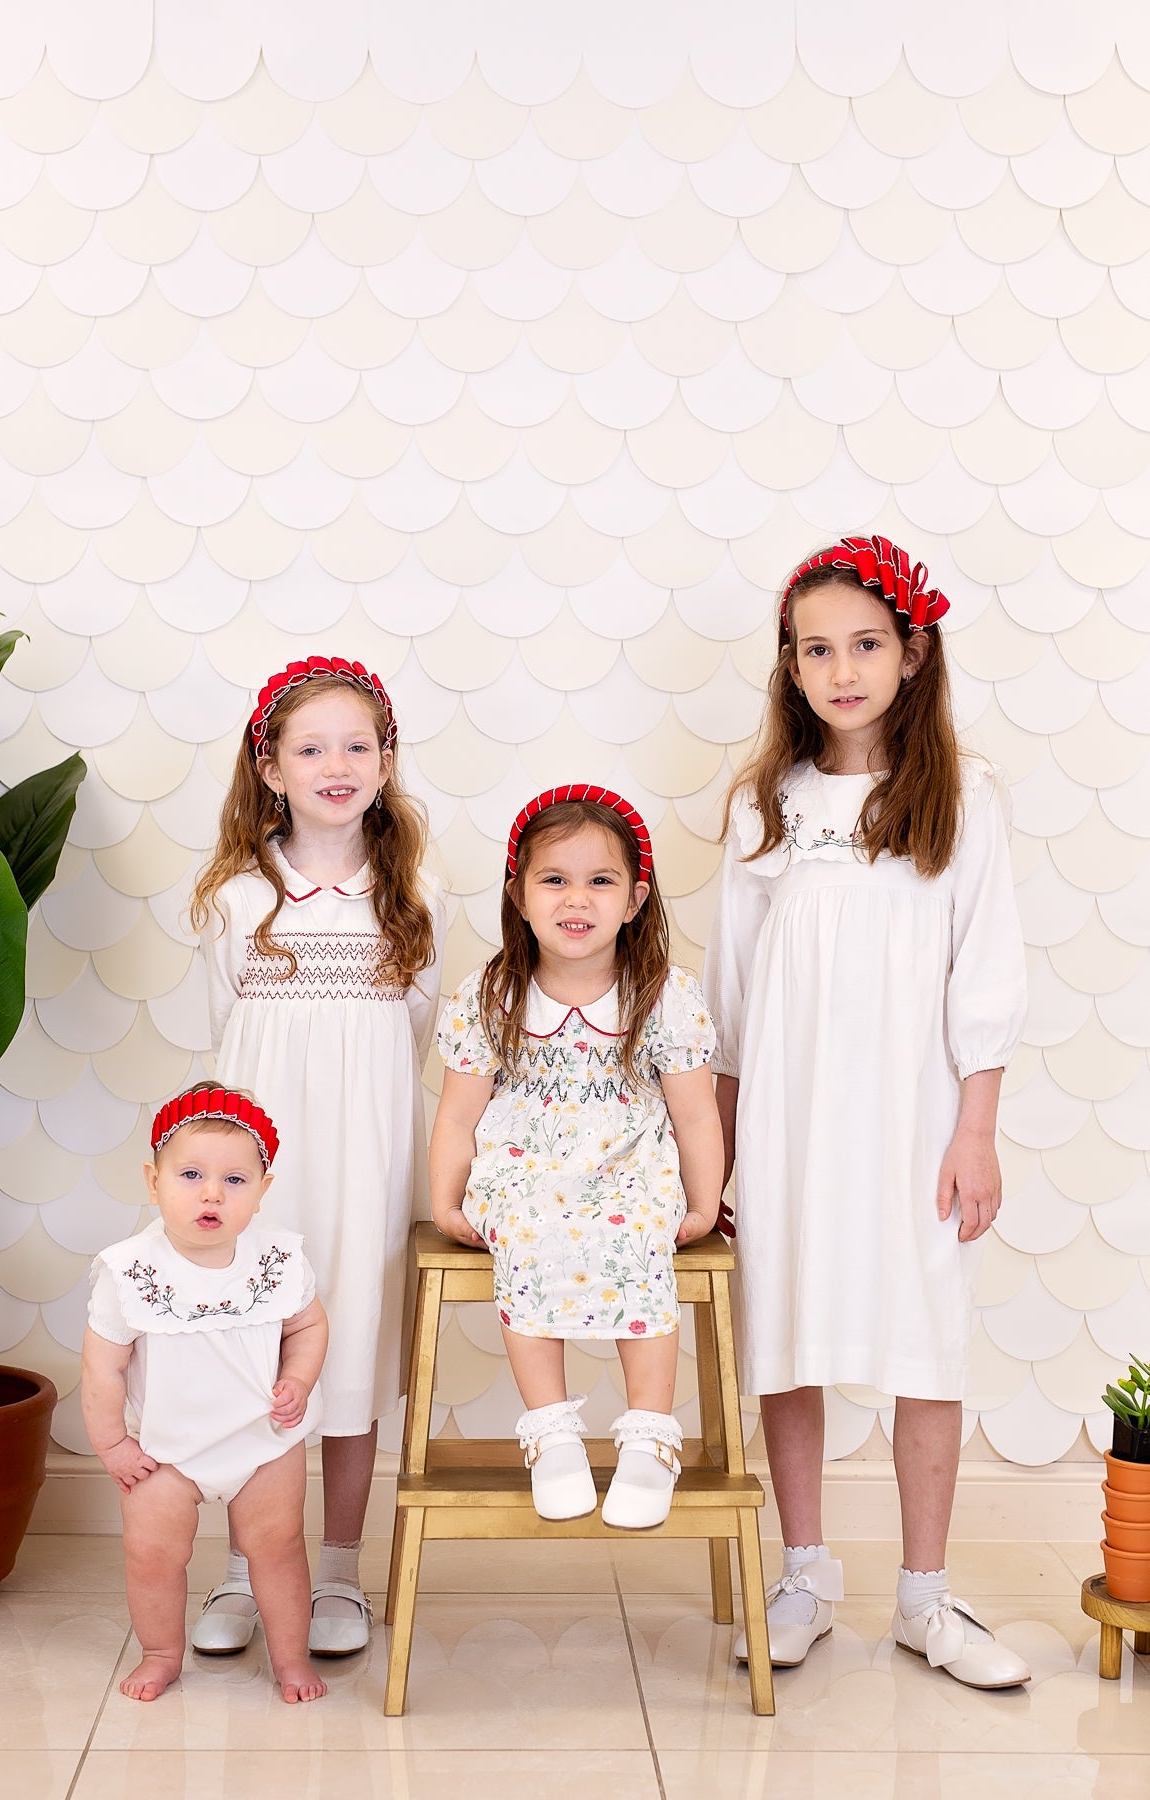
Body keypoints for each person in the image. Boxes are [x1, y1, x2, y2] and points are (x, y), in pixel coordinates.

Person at [705, 535, 1030, 1689]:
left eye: (862, 645)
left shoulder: (959, 798)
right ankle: (801, 1575)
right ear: (788, 666)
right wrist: (715, 1158)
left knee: (923, 1342)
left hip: (911, 1120)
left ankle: (924, 1598)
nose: (839, 671)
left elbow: (983, 972)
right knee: (785, 1334)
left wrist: (973, 1131)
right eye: (813, 650)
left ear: (910, 653)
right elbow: (732, 994)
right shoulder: (766, 805)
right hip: (789, 1119)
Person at [189, 656, 445, 1656]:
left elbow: (413, 1031)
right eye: (310, 749)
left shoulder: (410, 895)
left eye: (356, 746)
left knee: (350, 1348)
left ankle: (338, 1570)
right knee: (254, 1348)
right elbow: (226, 1034)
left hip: (365, 1160)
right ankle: (242, 1569)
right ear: (270, 767)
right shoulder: (237, 897)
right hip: (266, 1170)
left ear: (385, 760)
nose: (335, 766)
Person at [430, 785, 723, 1529]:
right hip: (524, 1166)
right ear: (519, 895)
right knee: (525, 1227)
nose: (577, 899)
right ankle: (552, 1431)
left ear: (634, 899)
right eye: (554, 879)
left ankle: (649, 1435)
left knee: (639, 1232)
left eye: (600, 881)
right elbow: (458, 1114)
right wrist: (444, 1200)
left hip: (629, 1163)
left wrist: (702, 1202)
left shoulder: (663, 994)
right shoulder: (492, 995)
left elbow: (695, 1114)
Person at [81, 1085, 329, 1704]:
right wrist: (113, 1445)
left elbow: (307, 1327)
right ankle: (161, 1652)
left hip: (264, 1442)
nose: (212, 1193)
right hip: (164, 1453)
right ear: (154, 1180)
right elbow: (103, 1368)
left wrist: (298, 1380)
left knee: (279, 1547)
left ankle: (291, 1658)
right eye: (190, 1175)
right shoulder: (131, 1270)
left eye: (234, 1180)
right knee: (152, 1554)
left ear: (262, 1190)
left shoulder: (278, 1258)